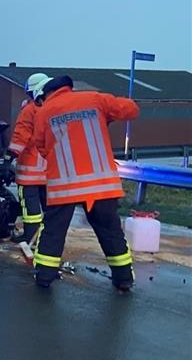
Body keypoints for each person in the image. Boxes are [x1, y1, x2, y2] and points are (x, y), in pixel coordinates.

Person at [31, 75, 140, 291]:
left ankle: (44, 276)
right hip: (101, 183)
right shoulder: (95, 100)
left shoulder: (44, 112)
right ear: (68, 88)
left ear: (47, 94)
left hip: (64, 184)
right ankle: (123, 279)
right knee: (110, 230)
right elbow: (131, 110)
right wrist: (107, 115)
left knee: (53, 230)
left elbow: (41, 146)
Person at [6, 73, 51, 243]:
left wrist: (8, 157)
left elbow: (21, 136)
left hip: (30, 172)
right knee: (49, 208)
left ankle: (30, 236)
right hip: (50, 172)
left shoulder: (29, 110)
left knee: (30, 208)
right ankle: (47, 238)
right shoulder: (56, 109)